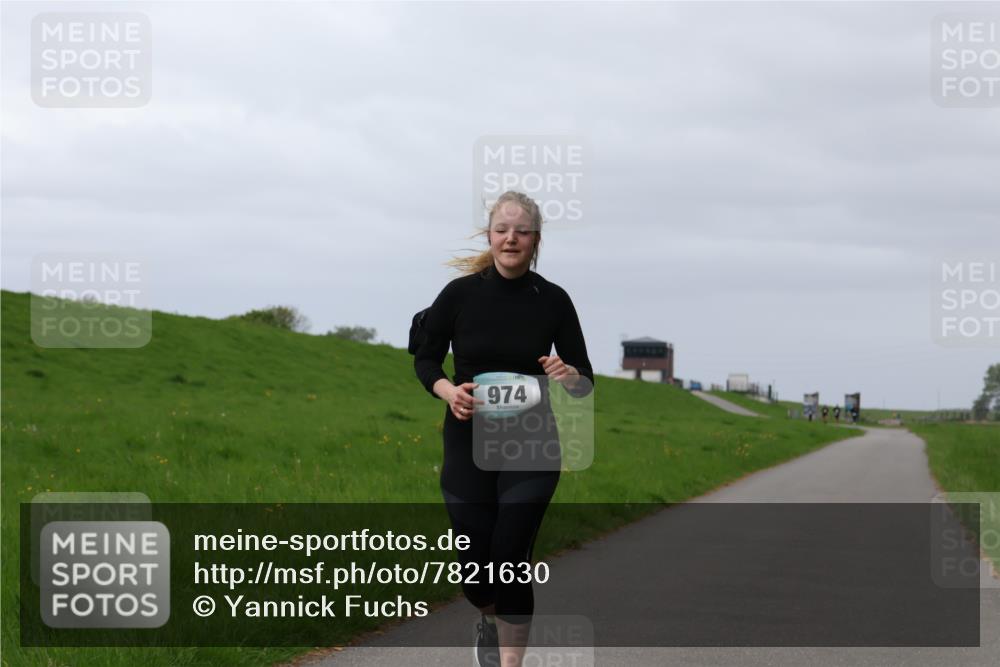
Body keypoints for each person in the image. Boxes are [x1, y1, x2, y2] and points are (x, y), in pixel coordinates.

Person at [413, 191, 595, 667]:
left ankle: (511, 662)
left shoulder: (553, 300)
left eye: (522, 231)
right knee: (476, 573)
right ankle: (488, 620)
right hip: (467, 441)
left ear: (536, 240)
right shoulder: (459, 295)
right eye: (502, 229)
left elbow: (584, 381)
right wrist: (448, 391)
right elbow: (426, 358)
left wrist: (568, 375)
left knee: (511, 554)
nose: (511, 238)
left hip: (532, 443)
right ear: (490, 236)